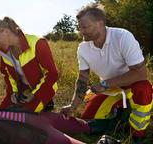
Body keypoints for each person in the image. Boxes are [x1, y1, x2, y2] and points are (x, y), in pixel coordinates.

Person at [60, 3, 152, 142]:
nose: (81, 31)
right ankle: (120, 115)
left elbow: (140, 74)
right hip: (110, 90)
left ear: (100, 24)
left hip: (131, 86)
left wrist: (105, 84)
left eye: (85, 27)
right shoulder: (83, 48)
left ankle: (137, 133)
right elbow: (82, 80)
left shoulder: (122, 36)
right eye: (79, 27)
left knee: (144, 89)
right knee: (87, 120)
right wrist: (72, 106)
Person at [0, 17, 58, 112]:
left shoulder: (38, 43)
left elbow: (52, 74)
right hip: (23, 93)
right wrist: (14, 93)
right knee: (1, 113)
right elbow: (8, 76)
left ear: (6, 32)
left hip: (43, 90)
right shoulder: (4, 52)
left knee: (25, 117)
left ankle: (47, 106)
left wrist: (34, 95)